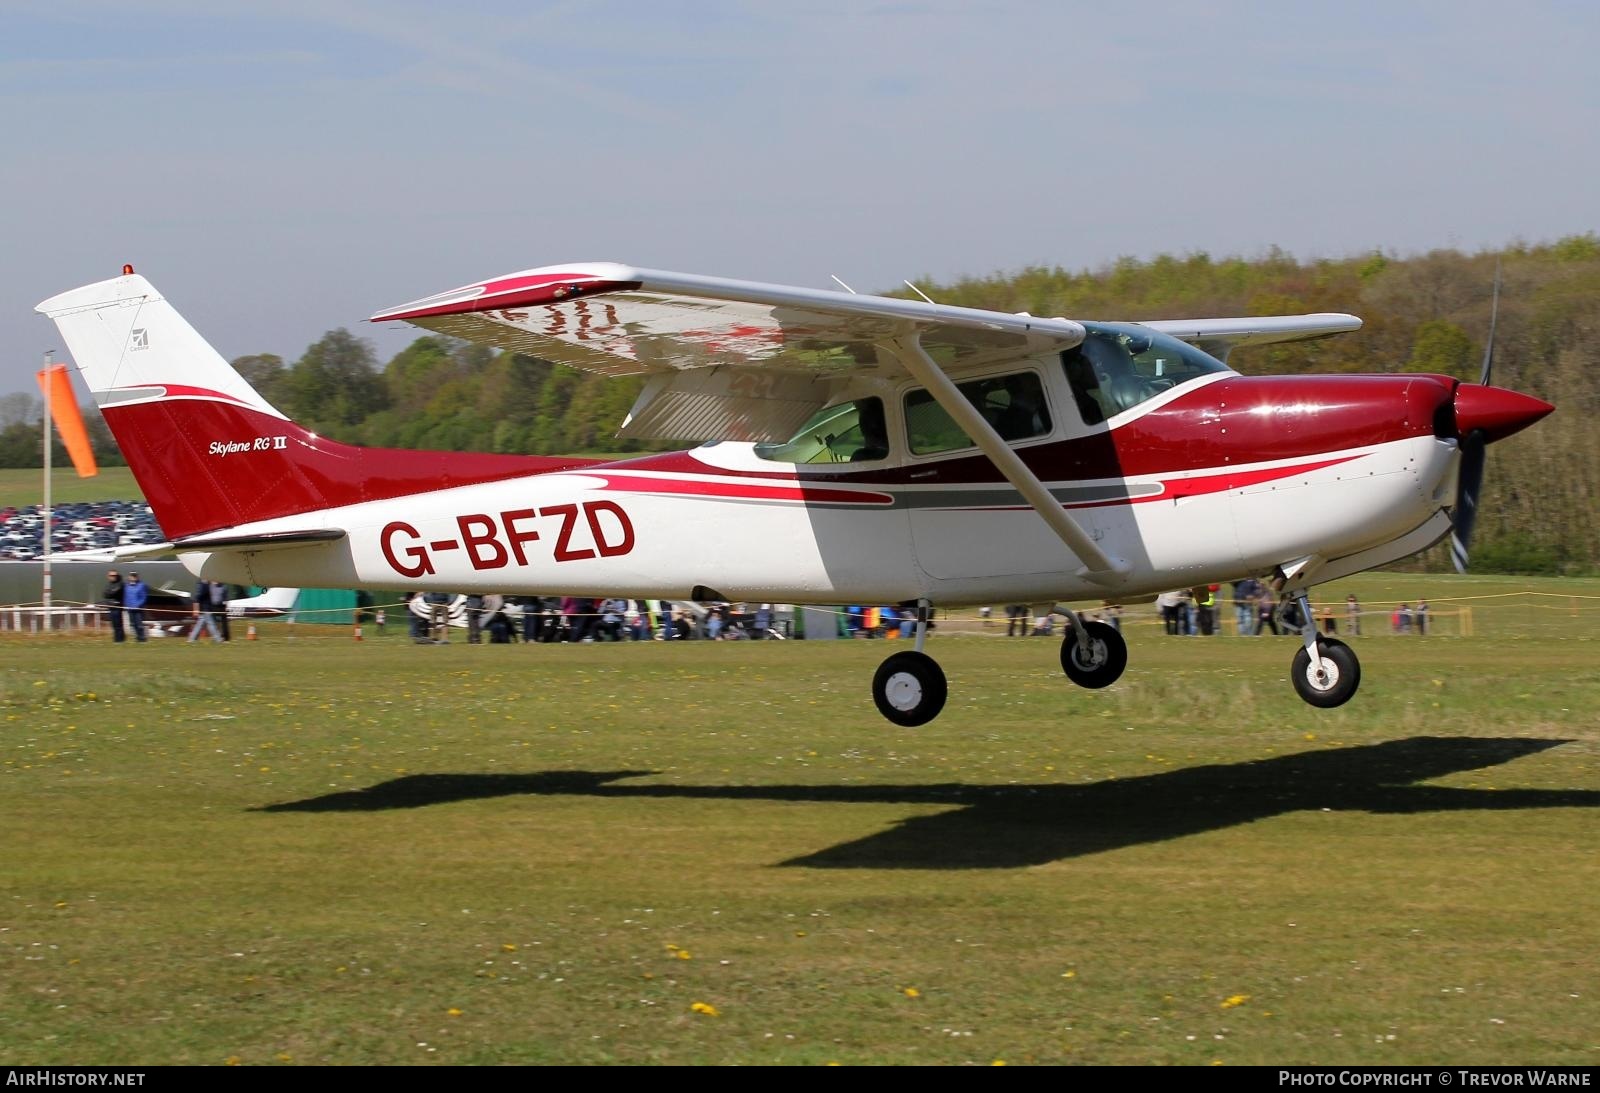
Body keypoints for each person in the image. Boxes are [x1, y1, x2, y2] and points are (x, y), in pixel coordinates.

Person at [187, 578, 223, 643]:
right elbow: (198, 598)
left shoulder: (204, 585)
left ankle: (192, 639)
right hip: (205, 609)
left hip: (205, 609)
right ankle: (218, 639)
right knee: (211, 624)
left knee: (199, 625)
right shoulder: (204, 586)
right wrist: (196, 609)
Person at [123, 571, 149, 642]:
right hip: (129, 608)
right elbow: (125, 597)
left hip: (138, 609)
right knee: (132, 624)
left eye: (134, 576)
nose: (133, 577)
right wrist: (126, 604)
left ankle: (142, 638)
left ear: (137, 577)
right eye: (131, 576)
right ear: (129, 577)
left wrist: (138, 605)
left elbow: (143, 597)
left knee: (139, 624)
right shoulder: (126, 586)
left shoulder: (142, 585)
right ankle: (137, 637)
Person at [103, 569, 126, 642]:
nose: (113, 577)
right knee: (114, 625)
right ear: (108, 576)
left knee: (118, 624)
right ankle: (117, 639)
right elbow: (105, 594)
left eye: (114, 575)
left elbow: (113, 593)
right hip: (111, 606)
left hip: (117, 606)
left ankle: (119, 640)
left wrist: (110, 593)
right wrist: (110, 593)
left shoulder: (120, 584)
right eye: (111, 575)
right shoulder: (108, 585)